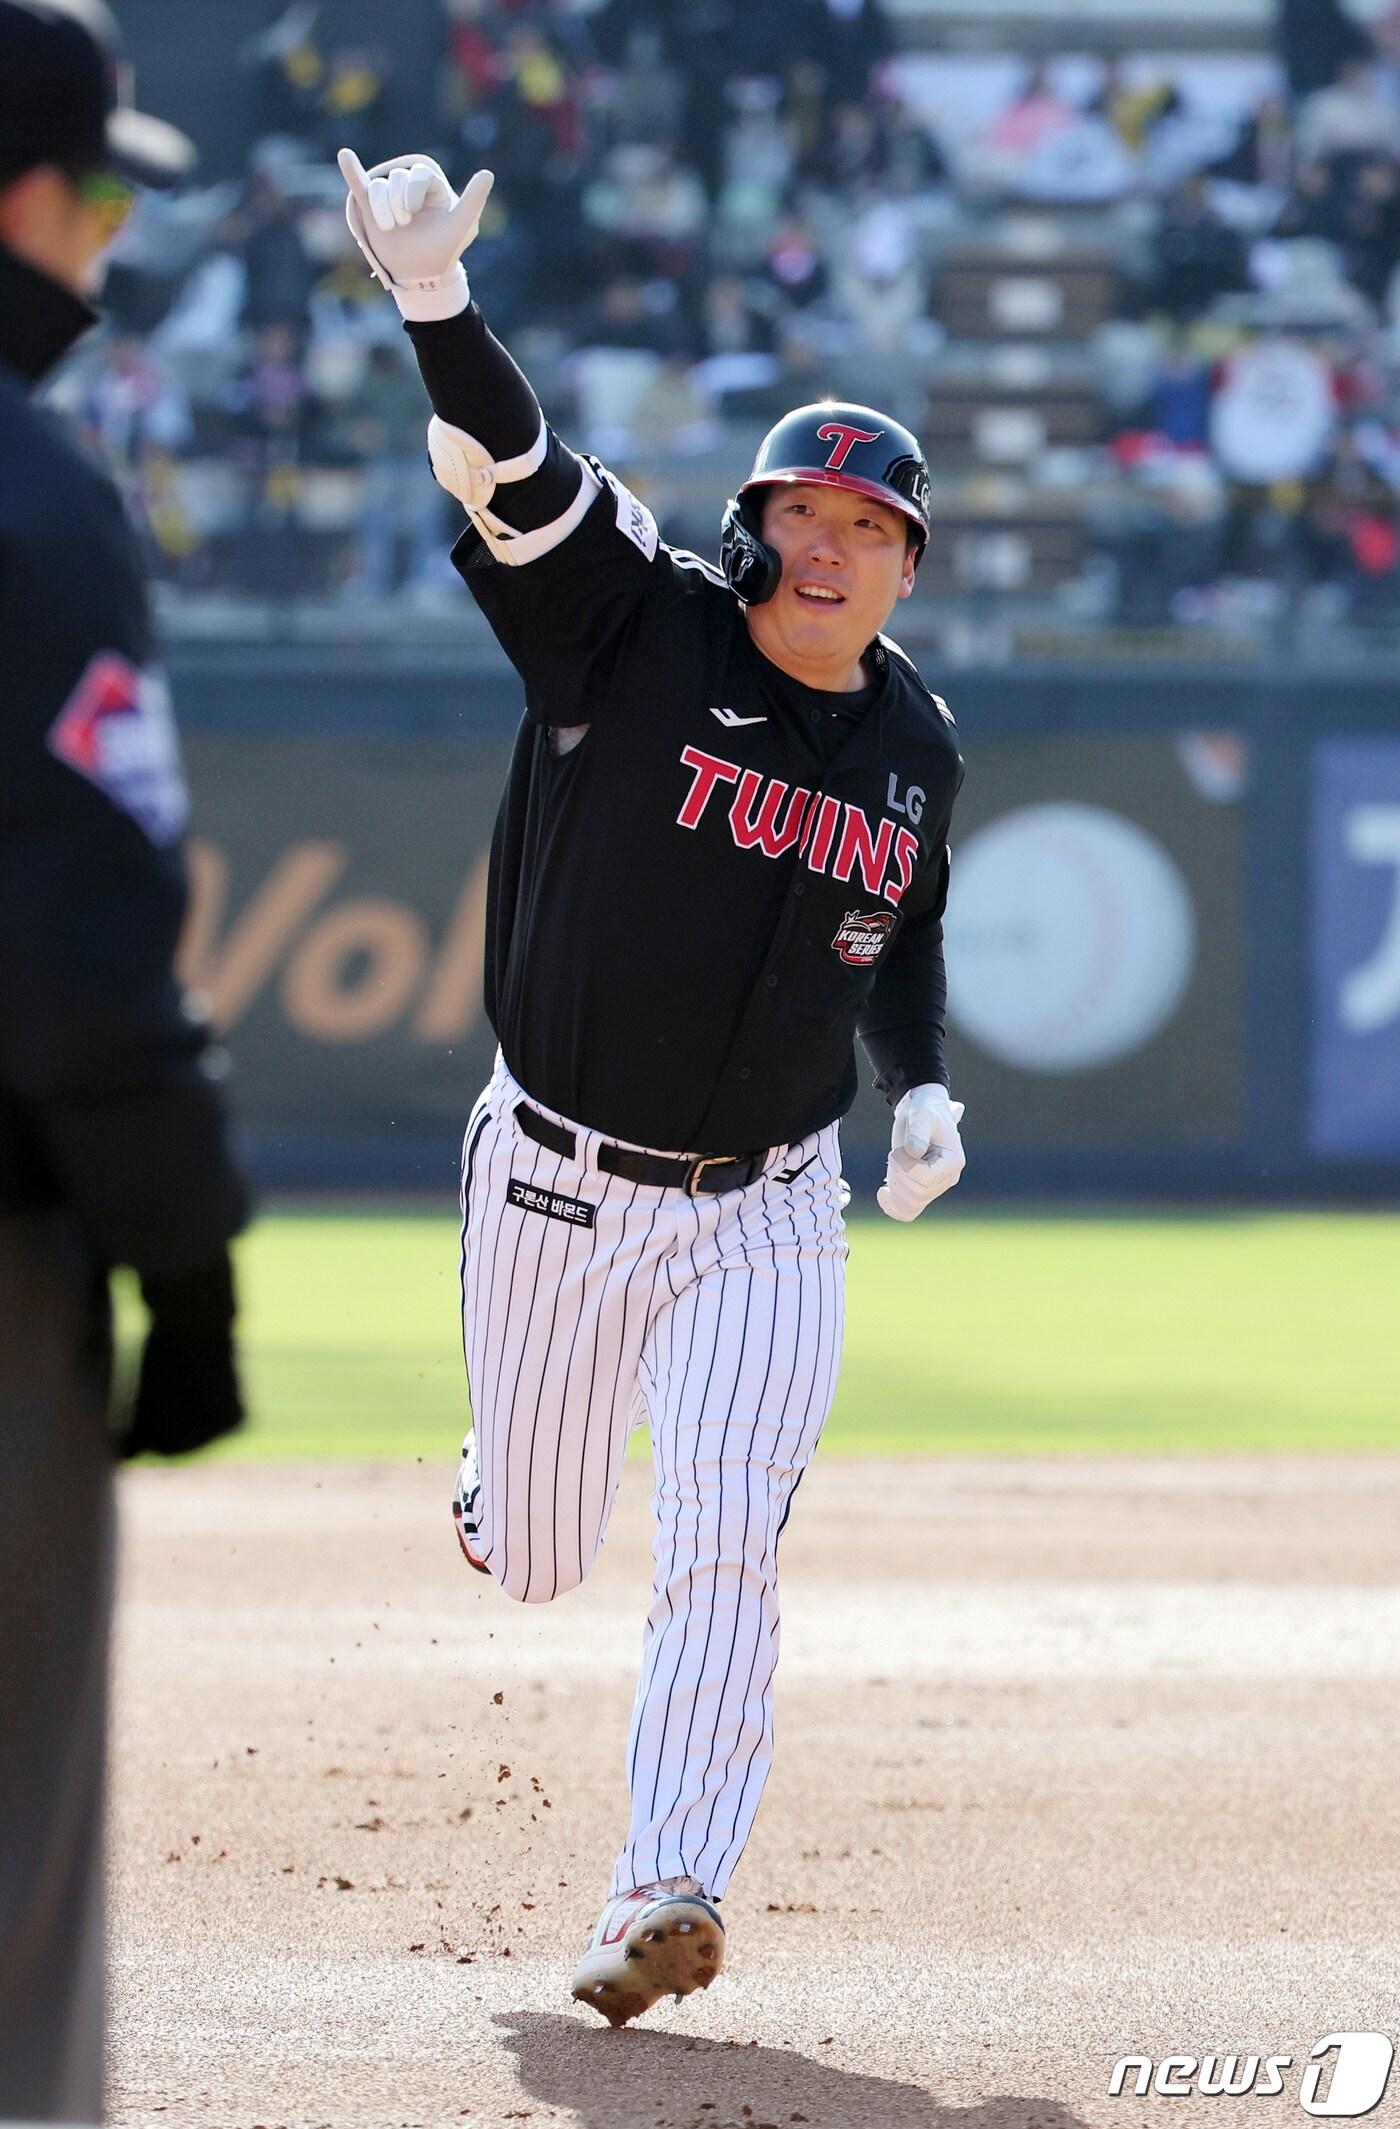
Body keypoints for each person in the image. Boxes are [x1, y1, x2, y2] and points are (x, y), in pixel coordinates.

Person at [338, 146, 966, 2028]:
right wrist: (438, 305)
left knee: (720, 1526)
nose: (829, 542)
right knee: (537, 1560)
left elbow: (901, 924)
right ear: (756, 524)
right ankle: (494, 1487)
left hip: (772, 1197)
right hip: (551, 1174)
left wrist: (917, 1083)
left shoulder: (918, 739)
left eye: (869, 523)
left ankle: (665, 1884)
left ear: (909, 560)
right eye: (802, 510)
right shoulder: (637, 625)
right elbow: (519, 479)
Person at [0, 3, 249, 2116]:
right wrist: (187, 1257)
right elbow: (82, 946)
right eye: (93, 198)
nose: (99, 245)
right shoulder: (40, 505)